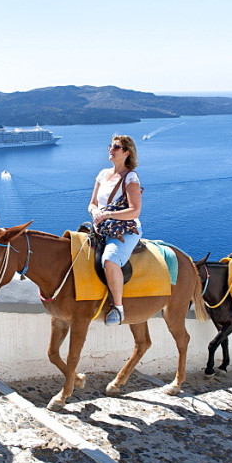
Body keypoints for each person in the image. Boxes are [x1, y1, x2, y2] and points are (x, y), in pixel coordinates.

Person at [87, 135, 142, 326]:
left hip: (124, 229)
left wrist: (108, 215)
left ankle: (118, 309)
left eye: (117, 147)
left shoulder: (130, 177)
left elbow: (135, 210)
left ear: (126, 152)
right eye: (111, 145)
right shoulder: (102, 174)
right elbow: (92, 203)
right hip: (100, 227)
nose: (111, 149)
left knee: (109, 260)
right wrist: (95, 212)